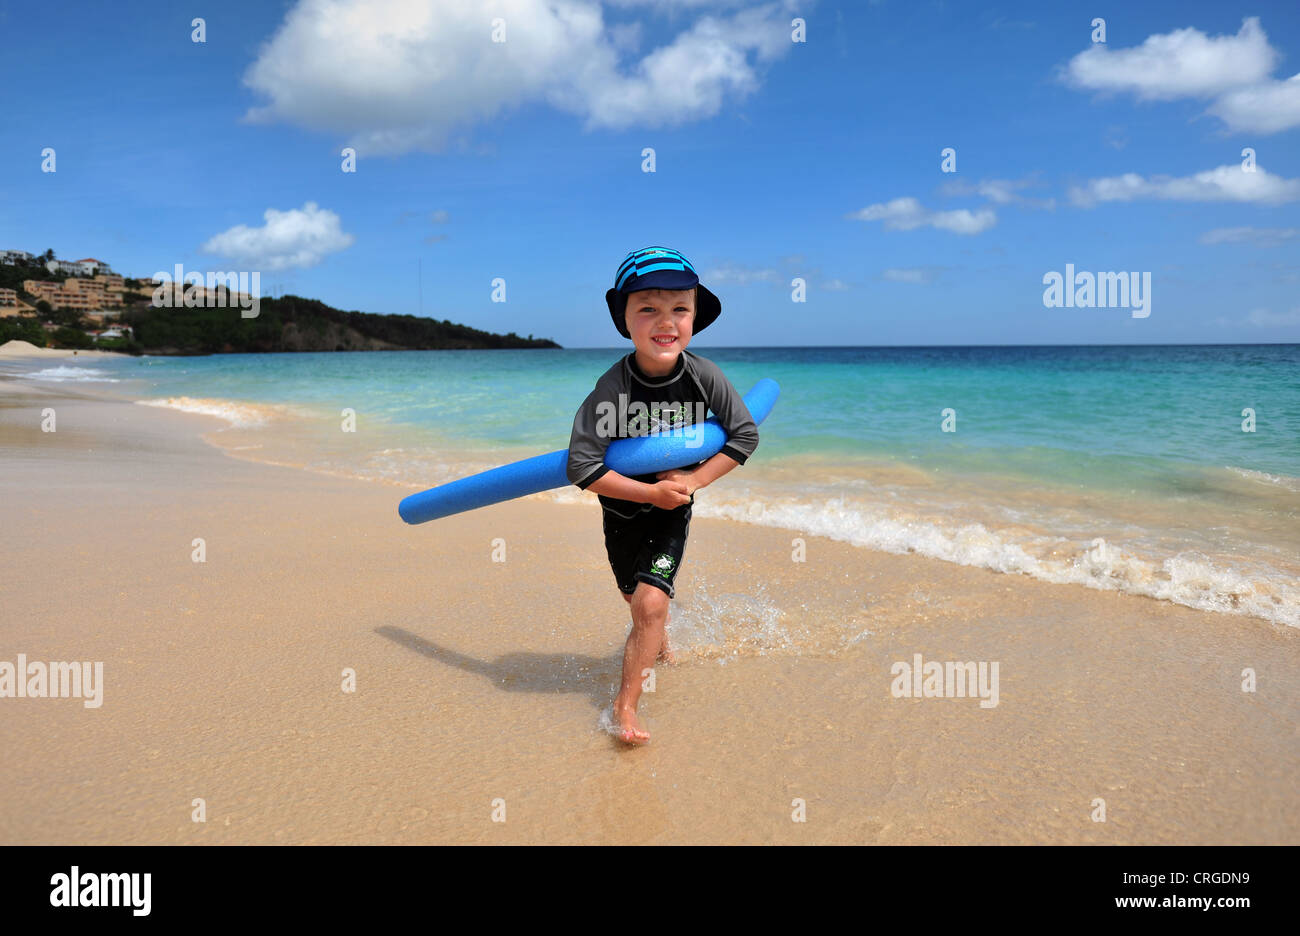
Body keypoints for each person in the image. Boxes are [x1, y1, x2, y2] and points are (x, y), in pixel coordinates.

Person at [567, 246, 760, 744]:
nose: (665, 321)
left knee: (650, 603)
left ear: (694, 316)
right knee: (637, 601)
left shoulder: (705, 377)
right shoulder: (611, 388)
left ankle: (625, 706)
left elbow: (744, 438)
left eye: (679, 308)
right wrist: (646, 495)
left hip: (672, 508)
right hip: (621, 510)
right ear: (625, 319)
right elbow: (582, 468)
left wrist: (692, 482)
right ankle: (659, 637)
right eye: (647, 308)